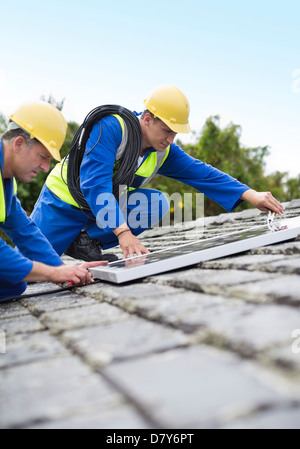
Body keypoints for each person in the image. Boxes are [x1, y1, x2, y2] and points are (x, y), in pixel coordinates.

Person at [31, 86, 284, 262]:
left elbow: (203, 174)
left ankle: (84, 241)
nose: (171, 139)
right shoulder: (110, 127)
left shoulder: (163, 150)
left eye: (175, 134)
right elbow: (95, 185)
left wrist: (251, 195)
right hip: (61, 205)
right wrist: (123, 232)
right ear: (148, 118)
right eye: (167, 130)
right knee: (24, 271)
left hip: (100, 215)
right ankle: (74, 238)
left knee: (157, 203)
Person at [0, 101, 106, 299]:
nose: (45, 167)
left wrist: (64, 269)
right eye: (43, 157)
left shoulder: (6, 183)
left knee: (13, 283)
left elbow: (25, 232)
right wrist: (52, 273)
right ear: (19, 144)